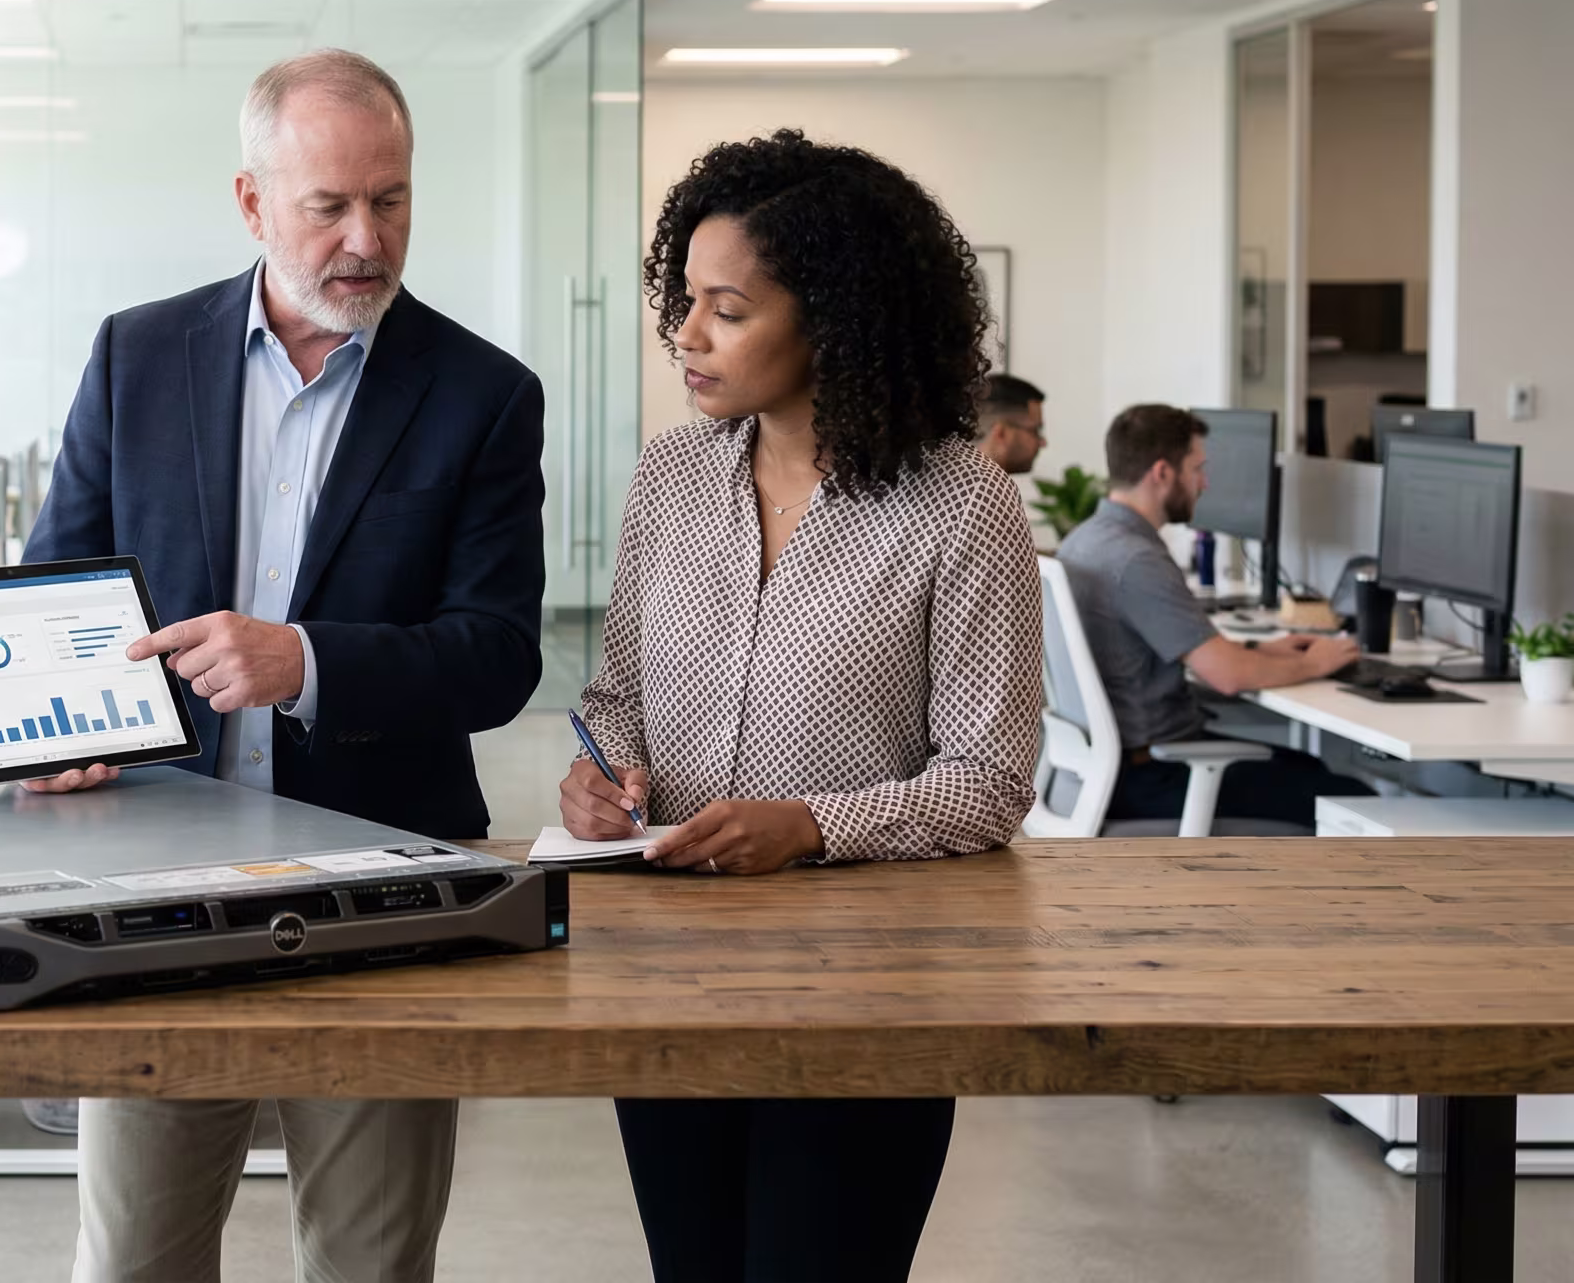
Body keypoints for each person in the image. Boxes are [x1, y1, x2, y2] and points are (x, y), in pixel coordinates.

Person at [25, 47, 546, 1283]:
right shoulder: (135, 355)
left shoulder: (482, 395)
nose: (365, 237)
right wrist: (56, 734)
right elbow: (60, 591)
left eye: (392, 198)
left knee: (368, 1262)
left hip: (385, 881)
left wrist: (301, 660)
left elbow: (497, 659)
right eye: (328, 205)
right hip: (148, 884)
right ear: (254, 203)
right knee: (134, 1259)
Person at [561, 128, 1044, 1283]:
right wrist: (599, 770)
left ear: (834, 317)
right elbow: (616, 691)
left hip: (867, 983)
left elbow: (989, 781)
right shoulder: (671, 476)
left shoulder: (959, 504)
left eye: (726, 310)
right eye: (684, 300)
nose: (684, 335)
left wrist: (813, 826)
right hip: (667, 970)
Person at [1057, 404, 1369, 826]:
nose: (1204, 483)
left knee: (1309, 769)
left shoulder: (1085, 540)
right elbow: (1228, 676)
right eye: (1197, 469)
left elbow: (1187, 649)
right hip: (1155, 776)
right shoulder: (1137, 560)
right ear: (1162, 472)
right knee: (1354, 800)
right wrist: (1316, 662)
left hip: (1107, 770)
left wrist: (1262, 648)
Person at [977, 371, 1047, 475]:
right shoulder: (983, 489)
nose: (1043, 443)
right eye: (1035, 431)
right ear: (1001, 434)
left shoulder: (958, 483)